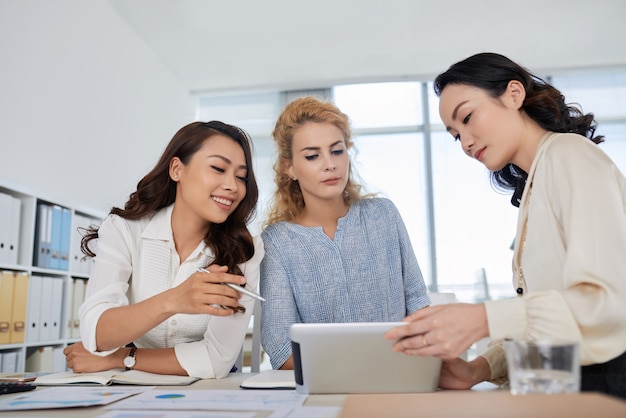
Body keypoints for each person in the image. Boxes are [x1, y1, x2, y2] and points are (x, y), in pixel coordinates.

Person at [385, 52, 626, 399]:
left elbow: (607, 303)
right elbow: (549, 320)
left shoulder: (569, 155)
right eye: (455, 135)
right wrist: (477, 369)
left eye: (467, 117)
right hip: (562, 384)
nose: (466, 143)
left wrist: (483, 318)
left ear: (514, 94)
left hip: (603, 388)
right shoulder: (537, 182)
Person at [63, 121, 265, 379]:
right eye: (218, 168)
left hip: (205, 392)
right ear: (177, 169)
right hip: (131, 389)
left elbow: (216, 361)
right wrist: (174, 300)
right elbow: (96, 332)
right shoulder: (125, 229)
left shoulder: (246, 248)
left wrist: (119, 358)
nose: (233, 186)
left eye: (241, 176)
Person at [260, 96, 430, 370]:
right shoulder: (278, 241)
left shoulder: (383, 216)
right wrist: (354, 368)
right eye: (313, 156)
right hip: (325, 391)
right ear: (289, 167)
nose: (330, 164)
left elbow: (418, 304)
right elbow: (280, 348)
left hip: (398, 377)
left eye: (337, 151)